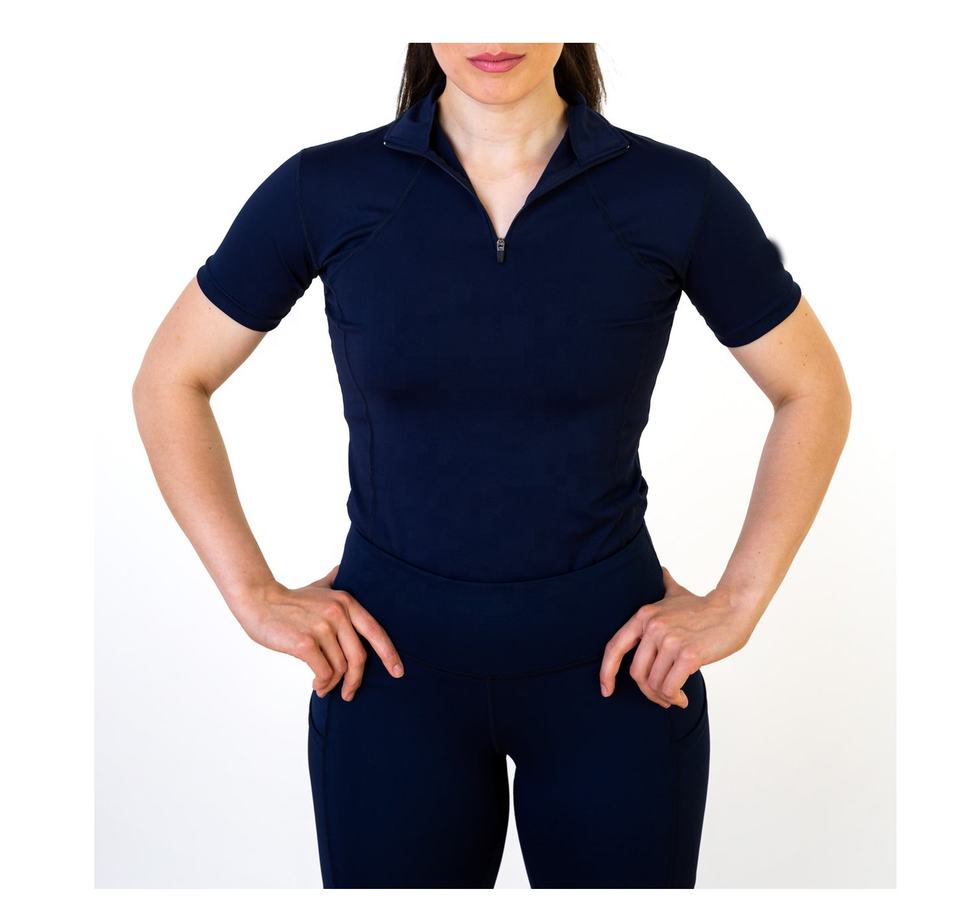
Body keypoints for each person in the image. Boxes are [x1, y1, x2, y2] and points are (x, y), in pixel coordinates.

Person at [132, 43, 851, 889]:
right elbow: (170, 380)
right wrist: (251, 593)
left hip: (618, 678)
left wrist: (738, 602)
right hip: (388, 678)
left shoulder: (673, 194)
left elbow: (813, 389)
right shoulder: (326, 189)